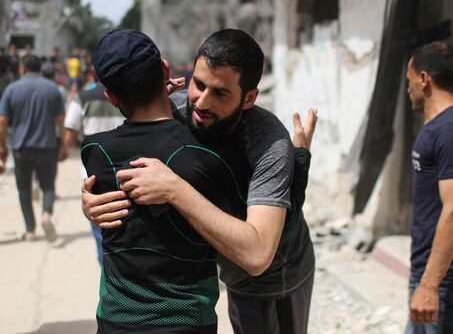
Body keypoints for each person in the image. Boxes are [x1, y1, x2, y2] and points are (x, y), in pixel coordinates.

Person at [83, 29, 318, 334]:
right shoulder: (180, 107)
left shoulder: (268, 143)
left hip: (273, 278)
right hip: (223, 265)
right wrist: (93, 201)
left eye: (220, 93)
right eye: (198, 83)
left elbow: (258, 255)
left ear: (249, 98)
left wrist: (175, 189)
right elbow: (123, 161)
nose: (202, 102)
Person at [404, 42, 453, 334]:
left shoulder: (450, 131)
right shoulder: (439, 128)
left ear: (424, 79)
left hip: (441, 282)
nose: (408, 89)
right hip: (430, 275)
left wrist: (429, 286)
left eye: (409, 81)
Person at [0, 54, 68, 241]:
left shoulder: (11, 90)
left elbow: (3, 120)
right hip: (47, 146)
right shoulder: (52, 89)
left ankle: (30, 231)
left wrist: (2, 146)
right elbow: (61, 120)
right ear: (40, 67)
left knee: (24, 190)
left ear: (22, 68)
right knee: (47, 186)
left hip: (21, 148)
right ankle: (46, 214)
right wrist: (63, 144)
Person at [64, 66, 124, 265]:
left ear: (93, 72)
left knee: (101, 229)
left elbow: (70, 129)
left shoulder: (83, 97)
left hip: (93, 175)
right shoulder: (127, 93)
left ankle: (108, 271)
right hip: (126, 169)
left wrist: (74, 146)